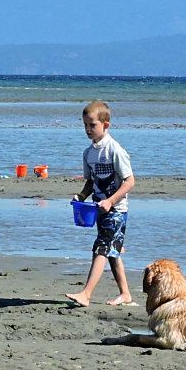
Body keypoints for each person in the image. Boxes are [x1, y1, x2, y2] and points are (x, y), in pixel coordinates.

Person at [64, 100, 135, 307]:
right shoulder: (89, 153)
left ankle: (86, 294)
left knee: (101, 248)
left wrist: (111, 200)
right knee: (112, 252)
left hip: (117, 210)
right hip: (98, 209)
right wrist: (81, 196)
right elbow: (91, 181)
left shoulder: (115, 150)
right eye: (85, 125)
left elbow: (130, 181)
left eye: (92, 125)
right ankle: (126, 294)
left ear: (106, 125)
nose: (88, 129)